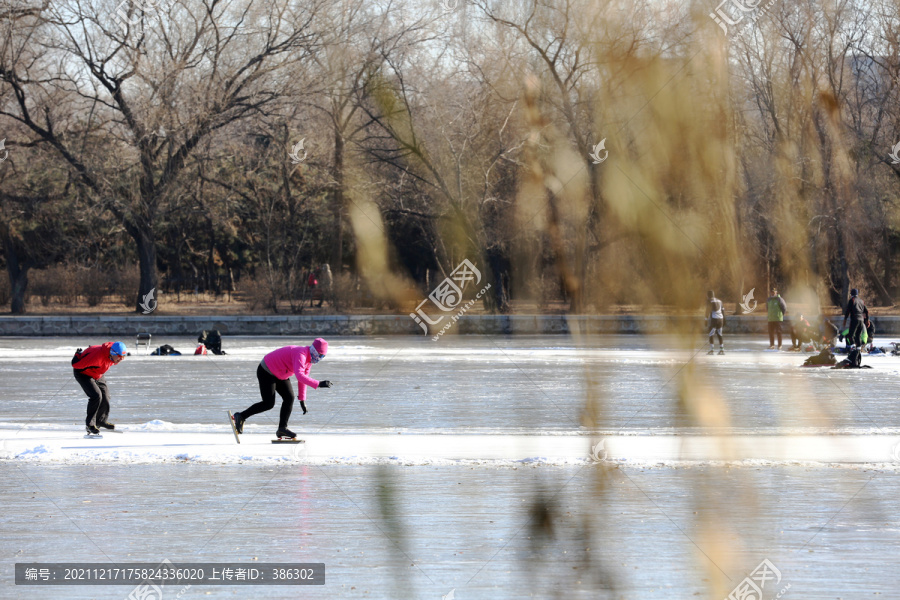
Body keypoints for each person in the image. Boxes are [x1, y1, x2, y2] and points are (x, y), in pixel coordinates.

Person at [232, 338, 333, 440]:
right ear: (314, 351)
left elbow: (303, 379)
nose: (320, 359)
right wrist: (319, 384)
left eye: (323, 356)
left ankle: (282, 429)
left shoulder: (309, 360)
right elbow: (300, 376)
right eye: (320, 355)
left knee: (289, 398)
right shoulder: (301, 354)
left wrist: (302, 399)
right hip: (266, 370)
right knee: (268, 403)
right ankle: (241, 416)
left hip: (280, 373)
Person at [72, 341, 127, 435]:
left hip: (97, 373)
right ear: (112, 353)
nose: (121, 359)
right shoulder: (97, 357)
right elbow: (75, 364)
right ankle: (90, 425)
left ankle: (100, 421)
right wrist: (77, 355)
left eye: (123, 357)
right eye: (120, 357)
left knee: (106, 396)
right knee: (96, 396)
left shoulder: (112, 356)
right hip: (83, 374)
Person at [706, 290, 725, 355]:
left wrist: (705, 320)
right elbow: (723, 311)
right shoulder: (720, 301)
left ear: (708, 295)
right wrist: (724, 320)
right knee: (719, 334)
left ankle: (711, 350)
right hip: (721, 319)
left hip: (714, 319)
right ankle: (721, 349)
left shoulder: (709, 301)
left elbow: (707, 311)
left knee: (711, 334)